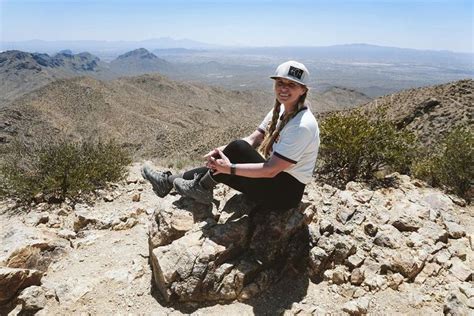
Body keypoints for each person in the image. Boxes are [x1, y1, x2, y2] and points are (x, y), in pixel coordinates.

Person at [142, 60, 320, 210]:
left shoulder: (302, 125)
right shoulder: (281, 109)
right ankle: (174, 182)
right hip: (274, 182)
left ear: (303, 90)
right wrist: (222, 152)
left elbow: (270, 170)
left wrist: (229, 168)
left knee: (237, 150)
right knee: (235, 149)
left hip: (283, 196)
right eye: (280, 83)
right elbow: (253, 139)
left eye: (291, 85)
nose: (283, 89)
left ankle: (195, 186)